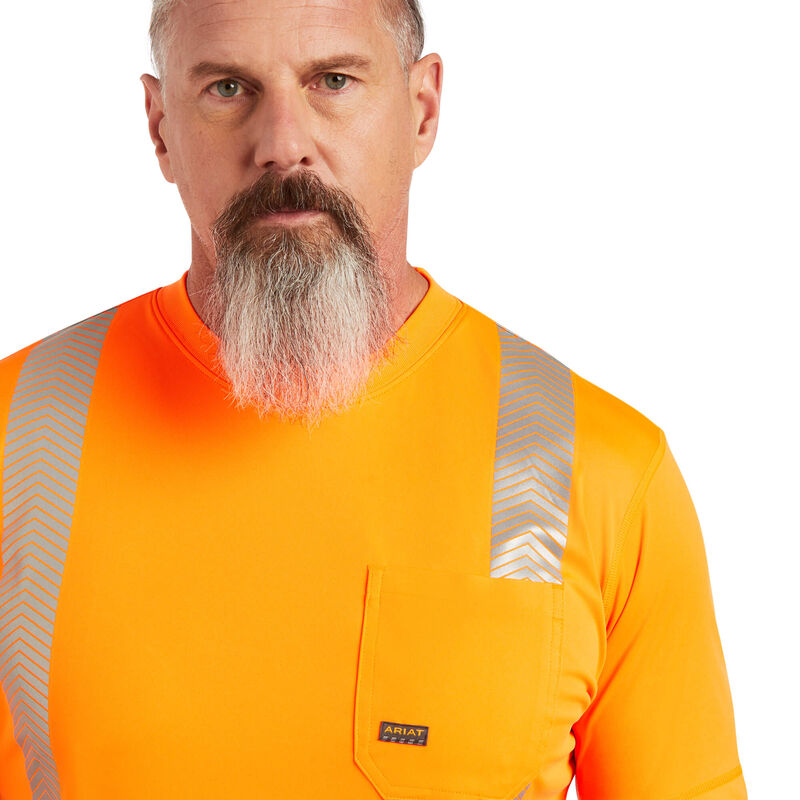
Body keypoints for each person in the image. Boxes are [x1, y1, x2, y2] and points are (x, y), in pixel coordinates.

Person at [0, 1, 747, 798]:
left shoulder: (599, 472)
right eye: (227, 87)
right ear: (159, 127)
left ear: (422, 110)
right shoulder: (20, 434)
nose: (283, 142)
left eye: (332, 81)